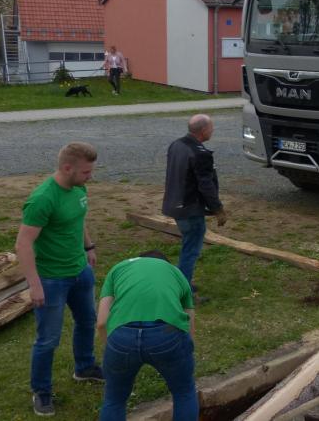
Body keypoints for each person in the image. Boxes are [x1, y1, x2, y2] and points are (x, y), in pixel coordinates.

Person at [15, 142, 103, 416]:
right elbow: (23, 244)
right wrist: (35, 285)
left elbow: (79, 218)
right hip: (52, 279)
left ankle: (84, 367)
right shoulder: (43, 198)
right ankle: (41, 391)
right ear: (67, 168)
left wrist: (88, 247)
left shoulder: (78, 188)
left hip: (80, 271)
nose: (91, 177)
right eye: (86, 172)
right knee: (48, 339)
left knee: (88, 321)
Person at [97, 251, 197, 421]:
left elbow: (101, 322)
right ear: (165, 263)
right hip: (167, 333)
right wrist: (186, 355)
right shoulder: (176, 273)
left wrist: (113, 349)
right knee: (184, 392)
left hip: (122, 336)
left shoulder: (118, 269)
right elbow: (189, 323)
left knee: (114, 399)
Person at [162, 114, 227, 295]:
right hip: (190, 209)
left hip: (174, 204)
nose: (213, 130)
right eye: (211, 128)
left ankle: (184, 284)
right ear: (204, 130)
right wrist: (218, 209)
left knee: (187, 246)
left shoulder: (176, 145)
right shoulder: (200, 153)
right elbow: (205, 184)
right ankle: (183, 291)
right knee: (190, 250)